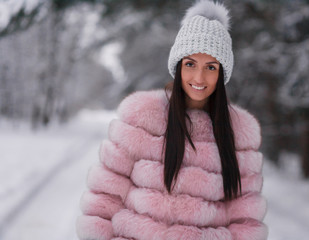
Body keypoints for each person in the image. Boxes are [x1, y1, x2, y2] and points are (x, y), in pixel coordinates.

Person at [76, 0, 268, 239]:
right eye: (190, 64)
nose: (199, 76)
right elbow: (104, 201)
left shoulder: (239, 133)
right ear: (178, 66)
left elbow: (245, 221)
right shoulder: (142, 116)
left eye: (210, 67)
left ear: (222, 73)